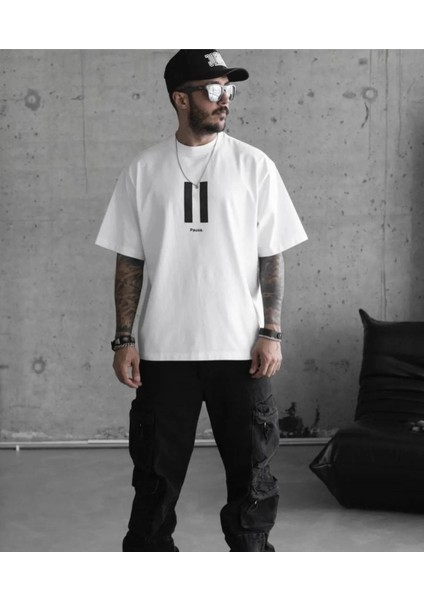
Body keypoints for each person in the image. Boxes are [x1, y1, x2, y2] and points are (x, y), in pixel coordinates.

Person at [95, 49, 307, 552]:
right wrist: (124, 339)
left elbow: (271, 256)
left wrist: (271, 332)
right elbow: (129, 260)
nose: (224, 100)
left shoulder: (254, 165)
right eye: (212, 90)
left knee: (253, 482)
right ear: (180, 98)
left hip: (241, 352)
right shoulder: (143, 170)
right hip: (164, 353)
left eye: (228, 90)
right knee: (154, 483)